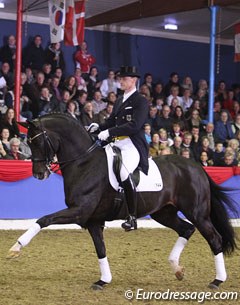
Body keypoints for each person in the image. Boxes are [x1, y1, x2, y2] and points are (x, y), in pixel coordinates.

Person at [92, 66, 149, 231]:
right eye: (120, 79)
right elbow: (111, 122)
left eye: (124, 79)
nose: (121, 81)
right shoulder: (119, 100)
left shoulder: (141, 101)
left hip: (132, 145)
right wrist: (99, 127)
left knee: (124, 172)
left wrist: (109, 132)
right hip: (116, 143)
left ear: (134, 80)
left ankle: (132, 217)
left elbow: (134, 125)